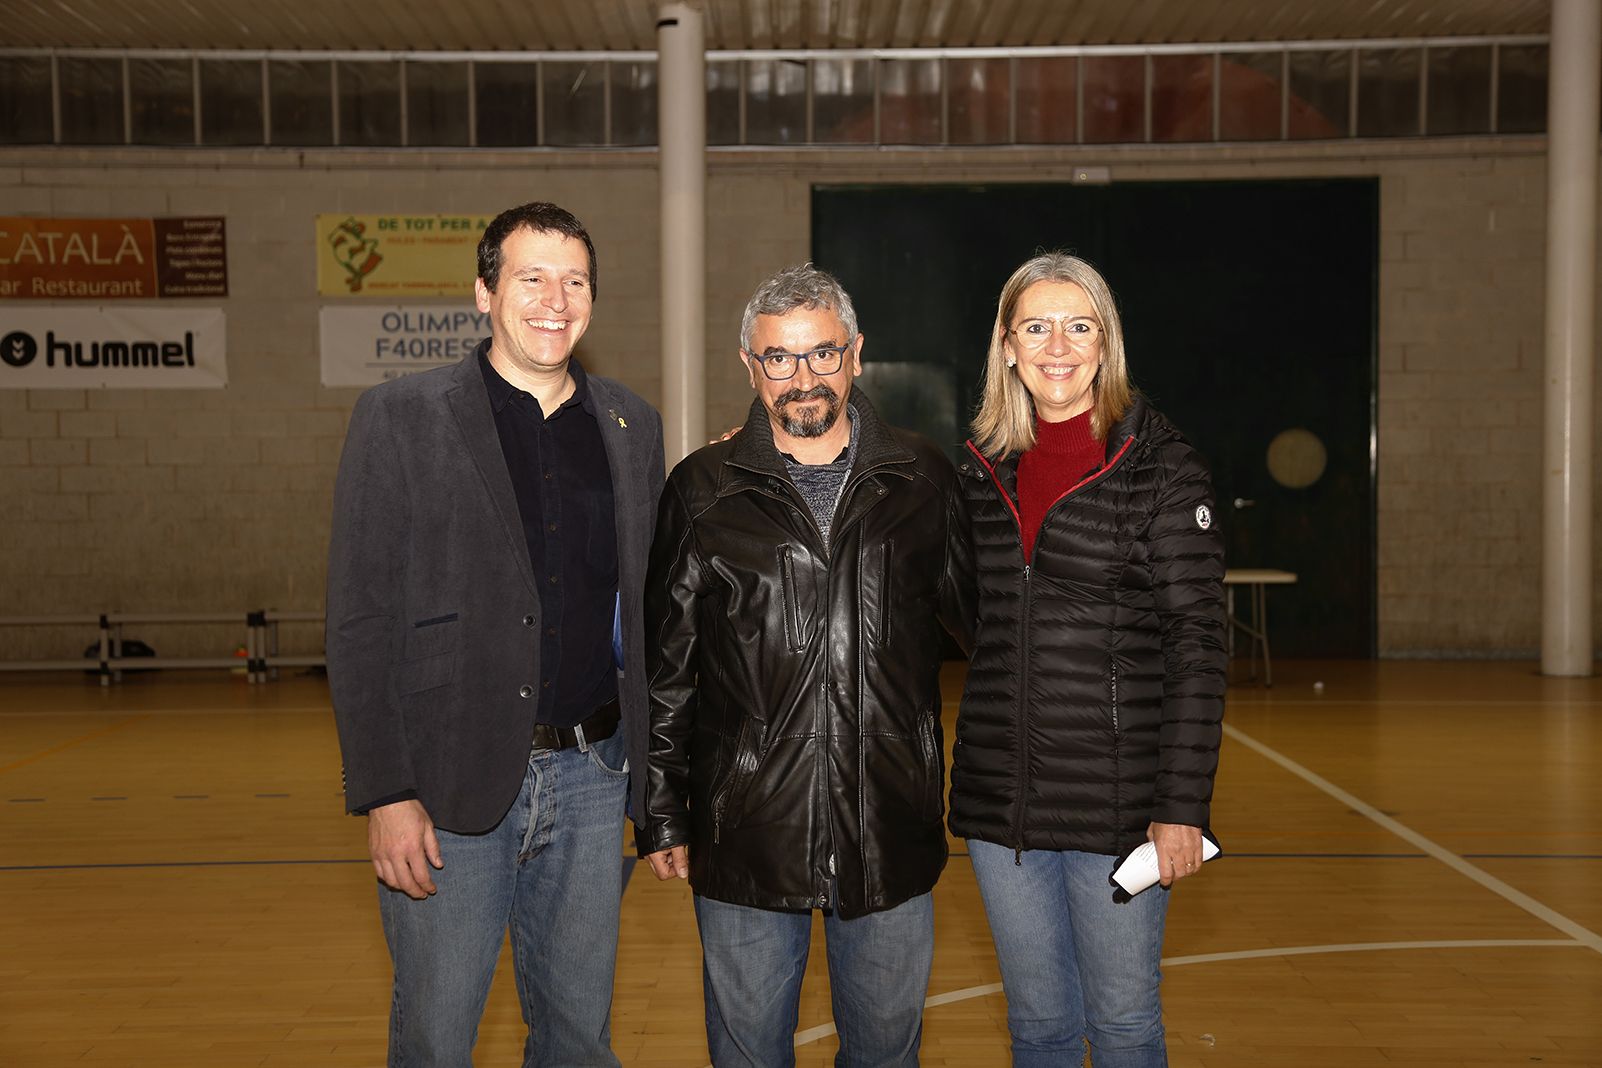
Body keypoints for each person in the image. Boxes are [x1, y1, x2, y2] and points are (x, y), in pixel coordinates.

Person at [326, 201, 664, 1067]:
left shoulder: (629, 425)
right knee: (438, 1036)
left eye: (575, 281)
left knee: (579, 1038)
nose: (556, 299)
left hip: (594, 778)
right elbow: (360, 620)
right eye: (532, 278)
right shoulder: (400, 418)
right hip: (446, 788)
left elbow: (652, 604)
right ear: (484, 292)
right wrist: (385, 791)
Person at [637, 264, 975, 1067]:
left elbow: (990, 630)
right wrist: (661, 809)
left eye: (822, 354)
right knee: (750, 1055)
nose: (803, 377)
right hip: (748, 831)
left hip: (890, 825)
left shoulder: (924, 480)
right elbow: (668, 666)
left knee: (887, 1056)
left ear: (856, 355)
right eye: (780, 359)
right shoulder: (702, 489)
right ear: (750, 367)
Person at [949, 253, 1226, 1067]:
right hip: (1004, 811)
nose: (1057, 346)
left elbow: (1199, 647)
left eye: (1080, 326)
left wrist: (1181, 803)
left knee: (1125, 1025)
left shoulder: (1164, 470)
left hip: (1123, 808)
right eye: (1036, 326)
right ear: (1006, 345)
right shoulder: (978, 469)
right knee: (1036, 1028)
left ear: (1106, 345)